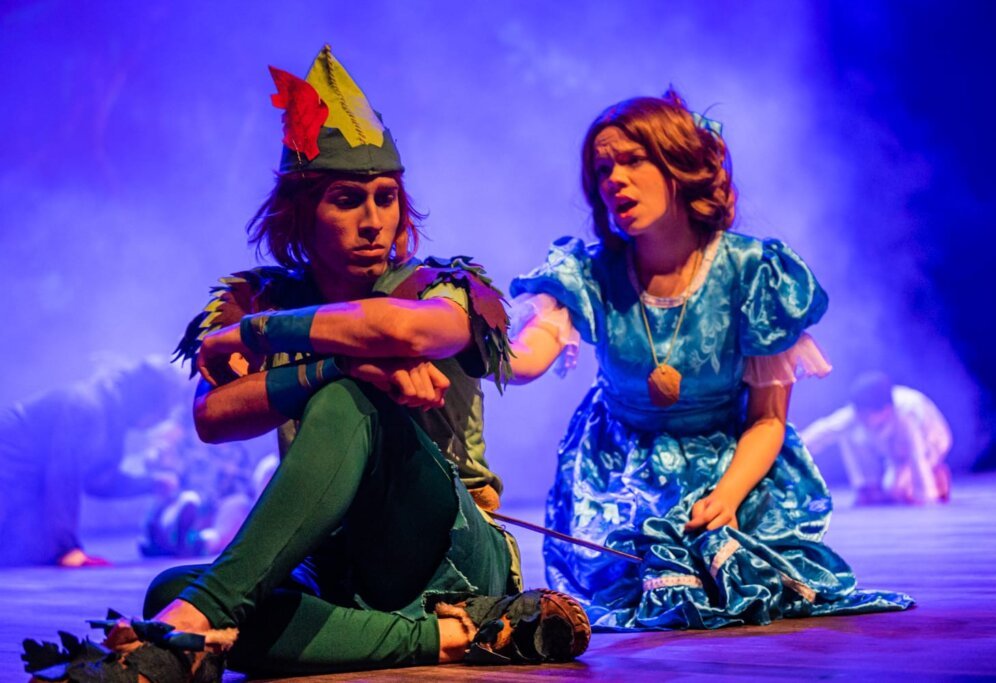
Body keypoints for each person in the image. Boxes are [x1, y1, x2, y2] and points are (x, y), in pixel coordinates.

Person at [22, 46, 588, 682]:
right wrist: (337, 366)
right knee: (167, 590)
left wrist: (262, 336)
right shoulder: (261, 293)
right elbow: (212, 417)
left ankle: (204, 621)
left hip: (453, 554)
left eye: (385, 198)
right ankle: (447, 637)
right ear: (300, 212)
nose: (373, 222)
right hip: (336, 559)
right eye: (347, 199)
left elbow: (400, 328)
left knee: (348, 404)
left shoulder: (441, 287)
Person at [506, 90, 914, 631]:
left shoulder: (751, 272)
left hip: (729, 461)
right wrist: (455, 334)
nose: (614, 180)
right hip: (620, 472)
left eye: (633, 160)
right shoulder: (588, 273)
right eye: (603, 169)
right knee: (648, 582)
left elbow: (768, 419)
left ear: (678, 167)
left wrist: (727, 496)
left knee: (740, 574)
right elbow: (525, 360)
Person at [0, 357, 183, 567]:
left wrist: (150, 483)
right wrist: (66, 548)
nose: (163, 418)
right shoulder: (86, 406)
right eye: (164, 409)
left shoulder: (109, 419)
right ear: (147, 399)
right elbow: (62, 476)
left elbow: (99, 480)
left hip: (18, 488)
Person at [802, 371, 952, 504]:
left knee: (901, 491)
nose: (862, 418)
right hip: (898, 454)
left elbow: (917, 455)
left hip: (931, 446)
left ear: (886, 410)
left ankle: (936, 474)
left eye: (866, 415)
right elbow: (825, 430)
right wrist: (792, 450)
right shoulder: (861, 412)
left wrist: (925, 496)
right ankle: (868, 486)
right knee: (848, 432)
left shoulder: (907, 412)